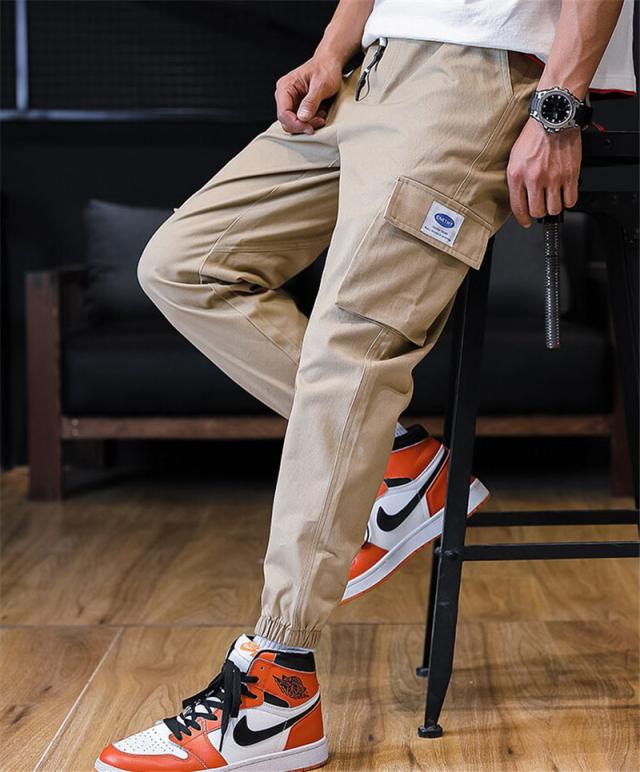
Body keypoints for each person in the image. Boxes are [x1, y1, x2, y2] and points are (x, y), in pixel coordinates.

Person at [95, 1, 635, 770]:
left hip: (478, 75)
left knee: (347, 347)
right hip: (373, 69)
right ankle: (404, 466)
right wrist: (333, 47)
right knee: (186, 264)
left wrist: (557, 110)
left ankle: (277, 690)